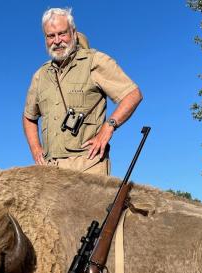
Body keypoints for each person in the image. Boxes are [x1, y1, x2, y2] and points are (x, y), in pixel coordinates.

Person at [23, 7, 143, 175]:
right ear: (45, 39)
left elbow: (133, 94)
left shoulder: (95, 61)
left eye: (62, 33)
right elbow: (29, 116)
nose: (57, 41)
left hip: (88, 166)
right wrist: (36, 149)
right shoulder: (40, 75)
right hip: (49, 172)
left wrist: (109, 127)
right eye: (51, 36)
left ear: (73, 32)